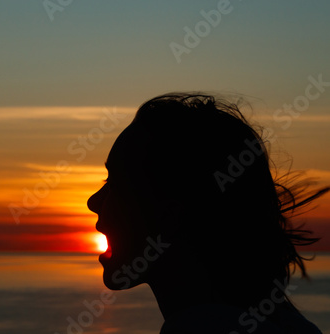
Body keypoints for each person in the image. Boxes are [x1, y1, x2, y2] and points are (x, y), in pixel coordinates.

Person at [87, 93, 328, 334]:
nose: (93, 201)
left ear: (171, 215)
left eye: (115, 183)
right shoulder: (286, 324)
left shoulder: (200, 328)